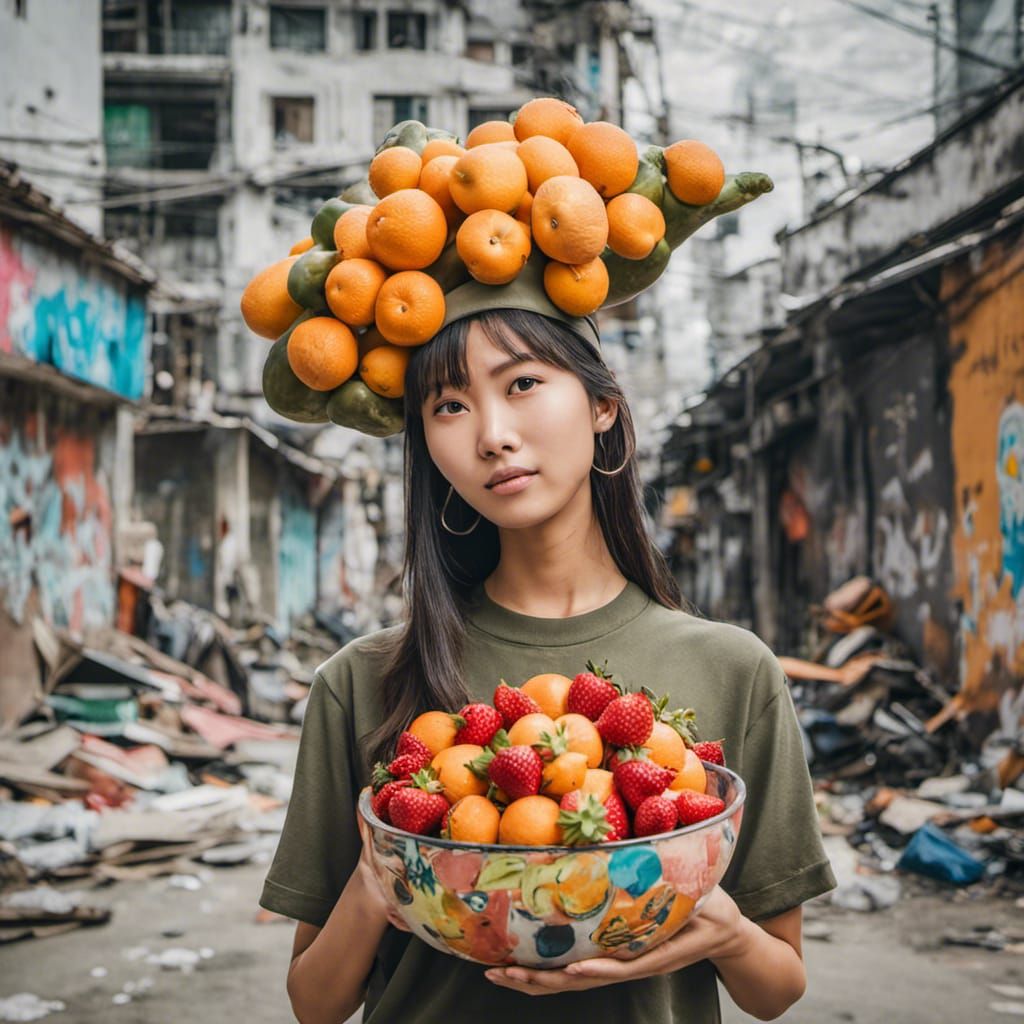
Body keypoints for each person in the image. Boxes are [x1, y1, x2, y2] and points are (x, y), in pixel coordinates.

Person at [258, 264, 836, 1023]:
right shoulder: (362, 680)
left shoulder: (733, 669)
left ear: (602, 403)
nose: (493, 435)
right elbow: (315, 1002)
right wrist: (386, 877)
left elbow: (777, 987)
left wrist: (720, 931)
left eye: (523, 383)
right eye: (450, 405)